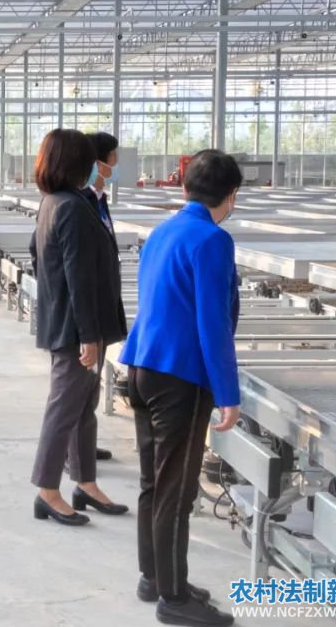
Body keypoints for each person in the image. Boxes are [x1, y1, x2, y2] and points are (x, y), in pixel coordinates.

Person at [119, 150, 242, 627]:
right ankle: (174, 599)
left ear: (185, 188)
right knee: (176, 490)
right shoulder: (213, 239)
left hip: (143, 366)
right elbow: (213, 322)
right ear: (232, 196)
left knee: (154, 483)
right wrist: (227, 393)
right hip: (180, 378)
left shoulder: (163, 231)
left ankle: (155, 577)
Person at [28, 128, 128, 527]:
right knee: (64, 408)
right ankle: (46, 490)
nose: (95, 166)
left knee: (84, 408)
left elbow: (38, 256)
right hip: (76, 330)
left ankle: (85, 482)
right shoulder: (69, 206)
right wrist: (87, 335)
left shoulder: (59, 202)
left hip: (75, 323)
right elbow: (78, 277)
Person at [84, 131, 122, 463]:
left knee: (90, 384)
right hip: (88, 312)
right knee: (79, 386)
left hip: (102, 305)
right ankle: (75, 451)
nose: (116, 164)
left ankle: (84, 442)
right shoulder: (79, 203)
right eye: (113, 158)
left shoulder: (98, 200)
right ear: (98, 162)